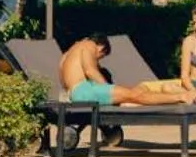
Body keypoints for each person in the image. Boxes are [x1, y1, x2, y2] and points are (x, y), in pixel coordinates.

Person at [57, 36, 188, 106]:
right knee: (135, 95)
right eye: (100, 57)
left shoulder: (69, 52)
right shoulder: (89, 45)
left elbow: (62, 78)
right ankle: (181, 96)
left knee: (129, 97)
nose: (98, 60)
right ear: (101, 48)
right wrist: (108, 88)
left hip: (74, 93)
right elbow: (90, 71)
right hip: (85, 91)